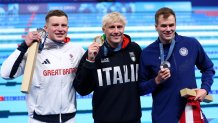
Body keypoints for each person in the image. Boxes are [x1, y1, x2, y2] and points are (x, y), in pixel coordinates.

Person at [0, 10, 85, 123]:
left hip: (69, 118)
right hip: (39, 119)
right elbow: (6, 74)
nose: (60, 29)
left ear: (67, 28)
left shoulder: (76, 50)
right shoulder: (33, 51)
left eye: (63, 25)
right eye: (55, 25)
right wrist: (24, 45)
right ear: (46, 28)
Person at [138, 7, 215, 123]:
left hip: (190, 110)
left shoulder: (191, 44)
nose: (168, 29)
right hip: (164, 115)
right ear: (156, 27)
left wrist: (205, 88)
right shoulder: (147, 53)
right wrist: (156, 81)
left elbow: (208, 68)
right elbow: (140, 88)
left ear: (175, 25)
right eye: (164, 26)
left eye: (171, 25)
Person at [73, 12, 142, 123]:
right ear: (103, 29)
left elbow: (144, 79)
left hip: (132, 119)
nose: (116, 31)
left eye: (119, 27)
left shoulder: (134, 49)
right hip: (104, 119)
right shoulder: (93, 54)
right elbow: (82, 90)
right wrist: (90, 61)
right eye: (111, 27)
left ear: (124, 28)